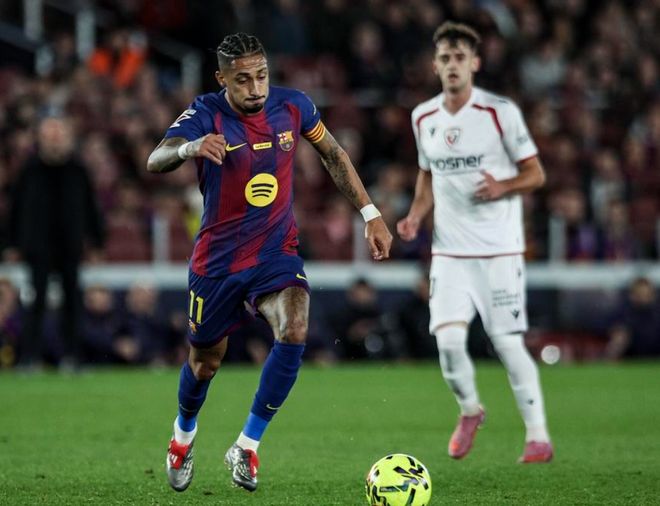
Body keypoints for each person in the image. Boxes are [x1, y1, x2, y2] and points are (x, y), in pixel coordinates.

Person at [146, 33, 392, 493]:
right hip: (217, 263)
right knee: (204, 364)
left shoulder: (294, 106)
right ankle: (182, 437)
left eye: (261, 76)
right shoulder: (205, 113)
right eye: (243, 80)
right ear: (222, 79)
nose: (255, 87)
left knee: (295, 327)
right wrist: (189, 148)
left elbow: (333, 153)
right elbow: (155, 158)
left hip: (275, 252)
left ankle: (247, 446)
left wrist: (371, 213)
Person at [397, 22, 553, 464]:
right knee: (448, 344)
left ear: (475, 63)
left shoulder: (499, 112)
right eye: (445, 58)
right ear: (435, 66)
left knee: (506, 343)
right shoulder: (423, 117)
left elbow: (536, 174)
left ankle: (538, 437)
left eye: (460, 57)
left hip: (499, 251)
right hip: (449, 253)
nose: (452, 65)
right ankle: (470, 411)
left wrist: (504, 186)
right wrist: (415, 215)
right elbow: (427, 175)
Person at [5, 115, 104, 369]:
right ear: (40, 139)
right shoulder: (29, 170)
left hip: (70, 245)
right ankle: (30, 357)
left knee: (72, 301)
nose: (55, 141)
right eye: (50, 136)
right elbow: (15, 208)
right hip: (37, 247)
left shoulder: (78, 169)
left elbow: (91, 207)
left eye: (59, 135)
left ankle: (72, 356)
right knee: (35, 301)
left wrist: (96, 242)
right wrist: (11, 243)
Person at [605, 277, 660, 360]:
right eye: (640, 295)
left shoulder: (657, 314)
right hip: (630, 359)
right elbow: (616, 337)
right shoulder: (623, 314)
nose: (643, 298)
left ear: (653, 295)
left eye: (647, 295)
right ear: (632, 295)